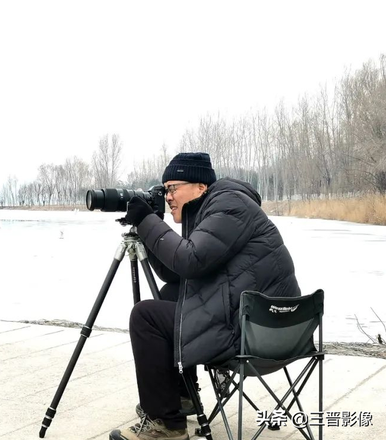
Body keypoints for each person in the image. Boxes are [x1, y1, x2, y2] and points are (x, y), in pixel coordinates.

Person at [109, 152, 301, 440]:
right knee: (170, 294)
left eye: (172, 188)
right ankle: (181, 397)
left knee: (146, 316)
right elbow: (179, 274)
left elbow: (190, 259)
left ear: (200, 187)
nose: (168, 196)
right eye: (165, 190)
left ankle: (166, 426)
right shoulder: (219, 208)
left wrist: (148, 221)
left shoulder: (228, 205)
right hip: (263, 325)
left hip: (260, 335)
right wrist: (150, 226)